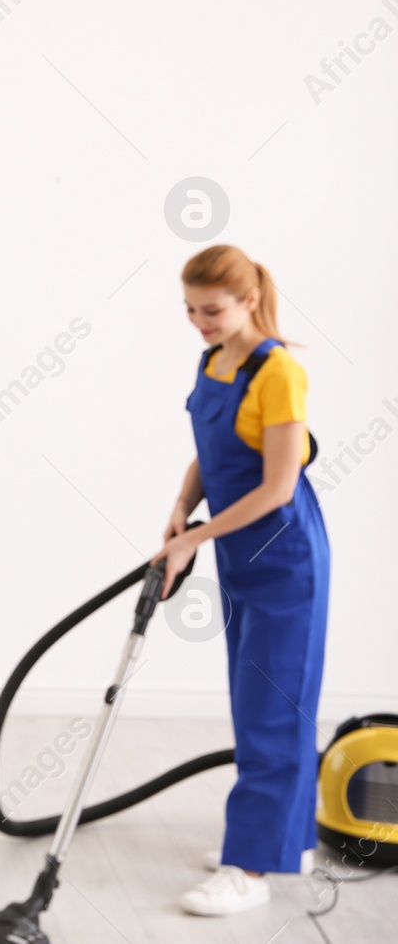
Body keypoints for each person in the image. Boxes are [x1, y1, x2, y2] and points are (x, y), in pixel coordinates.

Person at [151, 244, 330, 915]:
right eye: (191, 309)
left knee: (272, 708)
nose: (199, 321)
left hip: (285, 555)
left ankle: (251, 866)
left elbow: (279, 485)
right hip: (236, 551)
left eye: (212, 309)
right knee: (253, 696)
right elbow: (209, 450)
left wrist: (195, 536)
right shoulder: (215, 359)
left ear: (249, 300)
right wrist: (180, 507)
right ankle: (288, 837)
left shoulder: (279, 372)